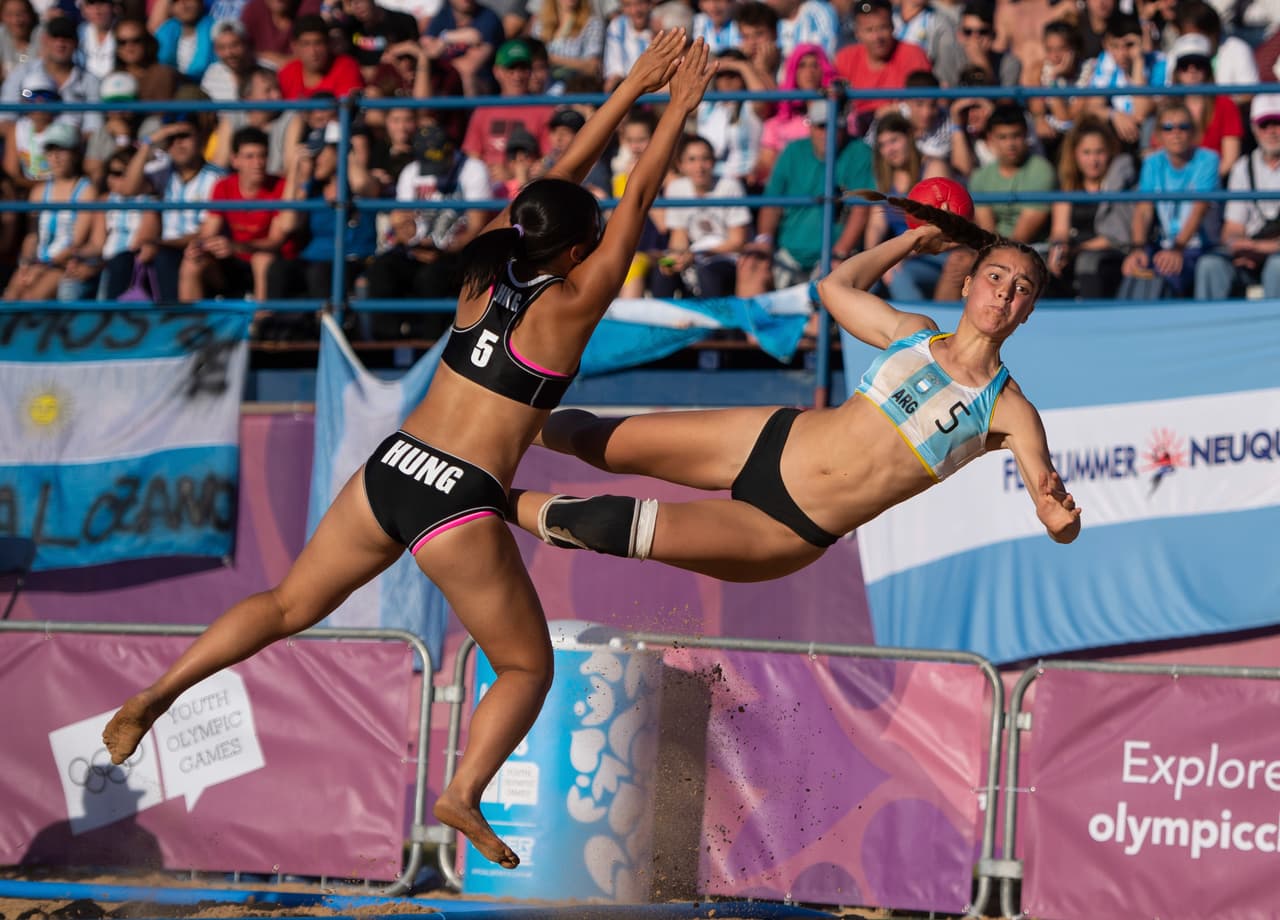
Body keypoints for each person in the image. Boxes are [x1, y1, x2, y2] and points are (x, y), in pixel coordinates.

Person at [101, 38, 716, 874]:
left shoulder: (485, 264)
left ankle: (153, 697)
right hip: (459, 494)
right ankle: (461, 790)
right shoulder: (572, 304)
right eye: (592, 235)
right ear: (575, 253)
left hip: (394, 467)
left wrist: (634, 87)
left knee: (284, 603)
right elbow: (638, 186)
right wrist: (679, 106)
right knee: (526, 666)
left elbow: (559, 176)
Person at [509, 204, 1081, 584]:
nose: (1005, 292)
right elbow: (834, 287)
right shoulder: (913, 333)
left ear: (1028, 312)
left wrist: (1060, 521)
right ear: (968, 283)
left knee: (600, 526)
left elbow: (1058, 520)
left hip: (786, 529)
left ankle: (474, 497)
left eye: (1021, 289)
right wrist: (911, 239)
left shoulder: (1011, 411)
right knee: (595, 439)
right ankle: (498, 420)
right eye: (996, 276)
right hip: (766, 439)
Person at [1193, 93, 1280, 300]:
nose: (1271, 131)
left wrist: (1261, 248)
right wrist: (1238, 246)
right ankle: (1208, 328)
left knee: (1277, 267)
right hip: (1249, 253)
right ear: (1254, 128)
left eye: (1277, 123)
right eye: (1264, 124)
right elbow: (1232, 227)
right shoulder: (1242, 167)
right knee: (1210, 265)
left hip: (1273, 254)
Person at [1046, 115, 1135, 299]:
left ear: (1110, 152)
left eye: (1099, 152)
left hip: (1108, 254)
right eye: (1086, 152)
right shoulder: (1068, 188)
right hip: (1074, 251)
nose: (1093, 160)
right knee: (1040, 264)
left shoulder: (1119, 185)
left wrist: (1078, 250)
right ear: (1075, 154)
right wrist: (1060, 249)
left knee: (1088, 262)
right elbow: (1060, 230)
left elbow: (1117, 237)